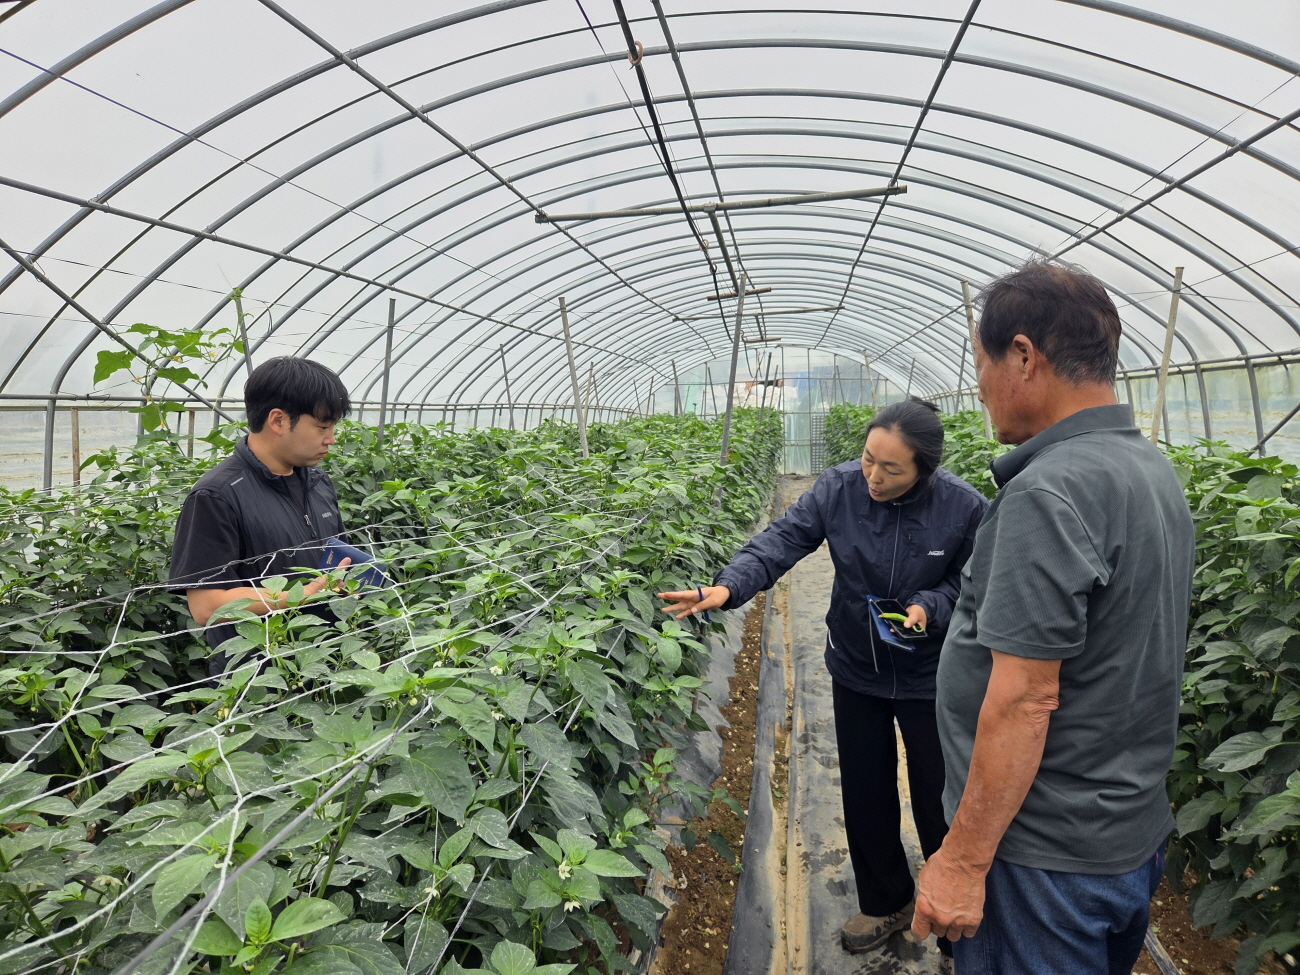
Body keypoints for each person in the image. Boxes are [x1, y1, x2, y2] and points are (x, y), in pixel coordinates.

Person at [912, 259, 1195, 975]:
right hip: (1120, 833)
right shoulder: (1146, 467)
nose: (979, 387)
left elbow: (1024, 697)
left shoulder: (1051, 491)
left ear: (1023, 356)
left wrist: (962, 860)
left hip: (1041, 861)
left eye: (981, 363)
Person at [659, 398, 988, 961]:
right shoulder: (839, 489)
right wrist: (729, 586)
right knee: (865, 787)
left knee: (942, 796)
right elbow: (783, 540)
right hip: (857, 664)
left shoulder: (965, 508)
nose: (873, 477)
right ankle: (886, 900)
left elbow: (974, 583)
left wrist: (930, 604)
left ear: (924, 470)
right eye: (868, 459)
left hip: (931, 673)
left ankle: (951, 918)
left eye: (891, 469)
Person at [169, 356, 353, 676]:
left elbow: (335, 558)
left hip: (324, 665)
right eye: (323, 427)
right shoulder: (217, 496)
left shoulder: (318, 481)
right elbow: (206, 605)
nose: (331, 438)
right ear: (278, 421)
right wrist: (300, 596)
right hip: (258, 680)